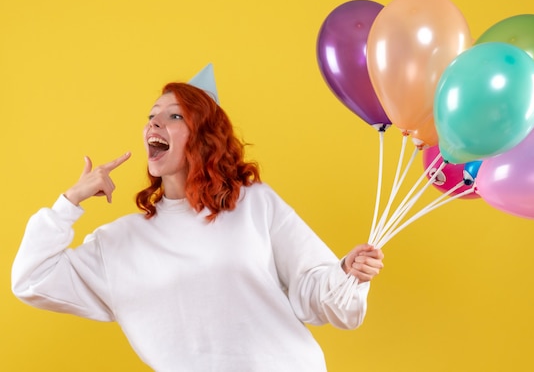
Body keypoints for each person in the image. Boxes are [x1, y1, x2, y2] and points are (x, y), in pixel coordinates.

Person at [11, 76, 384, 372]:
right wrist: (69, 202)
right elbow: (32, 279)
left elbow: (318, 296)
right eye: (152, 115)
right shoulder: (119, 243)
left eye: (175, 116)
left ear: (203, 138)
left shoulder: (253, 203)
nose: (155, 122)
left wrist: (347, 272)